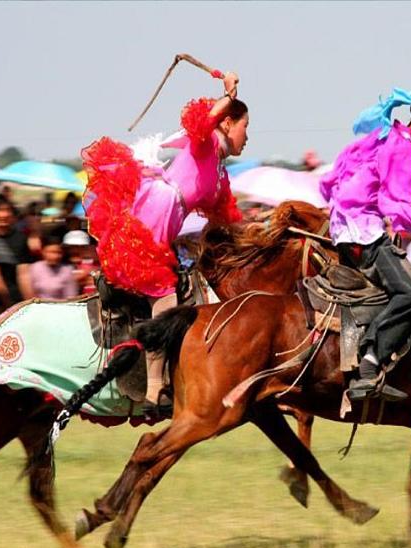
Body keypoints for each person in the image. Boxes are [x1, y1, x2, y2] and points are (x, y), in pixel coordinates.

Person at [81, 71, 247, 407]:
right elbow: (202, 122)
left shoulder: (219, 171)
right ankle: (155, 387)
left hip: (170, 219)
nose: (248, 137)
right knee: (164, 293)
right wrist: (228, 94)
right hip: (158, 208)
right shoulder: (209, 142)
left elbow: (225, 220)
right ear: (228, 124)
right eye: (246, 127)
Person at [320, 84, 411, 400]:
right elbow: (399, 208)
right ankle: (369, 367)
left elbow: (334, 184)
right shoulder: (405, 151)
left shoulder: (383, 137)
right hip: (366, 236)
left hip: (345, 233)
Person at [0, 197, 34, 310]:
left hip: (14, 298)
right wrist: (7, 304)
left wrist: (30, 304)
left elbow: (23, 274)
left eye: (7, 210)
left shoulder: (20, 238)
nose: (3, 215)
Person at [28, 235, 79, 300]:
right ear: (43, 252)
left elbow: (71, 296)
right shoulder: (35, 268)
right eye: (51, 252)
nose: (55, 256)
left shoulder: (67, 270)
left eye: (58, 253)